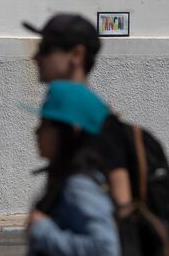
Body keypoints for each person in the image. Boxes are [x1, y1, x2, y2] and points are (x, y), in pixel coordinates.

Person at [23, 13, 132, 210]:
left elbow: (121, 218)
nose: (35, 57)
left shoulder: (97, 120)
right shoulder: (67, 110)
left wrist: (42, 229)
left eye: (45, 49)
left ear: (76, 55)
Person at [26, 80, 120, 256]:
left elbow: (105, 248)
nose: (37, 132)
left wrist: (42, 230)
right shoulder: (66, 176)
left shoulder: (78, 184)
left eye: (45, 125)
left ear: (67, 131)